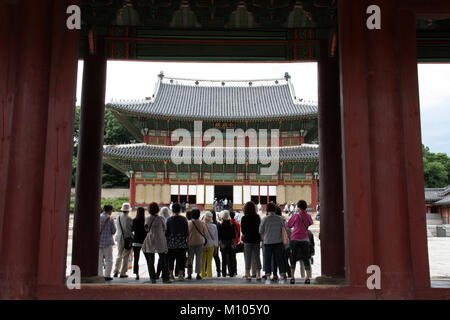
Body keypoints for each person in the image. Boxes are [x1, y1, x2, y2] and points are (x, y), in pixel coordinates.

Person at [142, 202, 172, 284]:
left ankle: (153, 278)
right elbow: (164, 228)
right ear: (157, 210)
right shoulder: (161, 219)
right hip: (160, 239)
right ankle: (165, 278)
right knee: (163, 259)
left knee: (151, 260)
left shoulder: (147, 219)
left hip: (150, 239)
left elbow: (146, 229)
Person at [259, 202, 288, 284]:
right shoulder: (280, 218)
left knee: (268, 259)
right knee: (280, 259)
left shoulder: (265, 219)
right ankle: (282, 275)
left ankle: (268, 276)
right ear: (275, 209)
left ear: (267, 210)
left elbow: (260, 230)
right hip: (278, 242)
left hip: (268, 242)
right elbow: (284, 228)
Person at [286, 200, 313, 284]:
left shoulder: (295, 216)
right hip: (304, 239)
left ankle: (293, 278)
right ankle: (307, 278)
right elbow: (310, 223)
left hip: (295, 239)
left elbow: (288, 225)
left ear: (298, 207)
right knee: (305, 258)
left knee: (293, 258)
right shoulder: (308, 216)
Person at [165, 202, 189, 281]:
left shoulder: (169, 220)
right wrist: (187, 243)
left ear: (172, 210)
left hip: (171, 243)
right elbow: (186, 233)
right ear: (180, 210)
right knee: (181, 260)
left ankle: (171, 275)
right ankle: (180, 275)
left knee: (171, 260)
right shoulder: (184, 219)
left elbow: (166, 233)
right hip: (181, 243)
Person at [240, 201, 262, 281]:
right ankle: (258, 274)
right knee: (257, 257)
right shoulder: (257, 217)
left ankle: (248, 275)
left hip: (247, 240)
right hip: (256, 239)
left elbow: (243, 230)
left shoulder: (244, 218)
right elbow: (260, 229)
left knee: (248, 257)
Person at [187, 209, 210, 280]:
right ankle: (198, 274)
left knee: (190, 258)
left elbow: (186, 233)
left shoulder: (189, 223)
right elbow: (205, 233)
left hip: (191, 242)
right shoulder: (202, 223)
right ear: (199, 215)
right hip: (200, 242)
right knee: (199, 258)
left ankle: (189, 274)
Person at [113, 203, 133, 278]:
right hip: (127, 238)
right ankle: (123, 272)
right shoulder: (129, 219)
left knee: (119, 255)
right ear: (128, 210)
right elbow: (132, 229)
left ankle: (116, 270)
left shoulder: (118, 217)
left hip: (119, 238)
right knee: (126, 256)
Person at [98, 204, 116, 281]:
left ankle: (100, 274)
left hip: (99, 241)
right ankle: (107, 275)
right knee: (109, 259)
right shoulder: (110, 219)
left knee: (99, 259)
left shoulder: (98, 217)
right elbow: (113, 231)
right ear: (110, 210)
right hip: (108, 242)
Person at [217, 210, 236, 277]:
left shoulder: (220, 225)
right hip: (230, 242)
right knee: (231, 258)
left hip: (223, 242)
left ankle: (224, 273)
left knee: (223, 259)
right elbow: (234, 235)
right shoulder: (232, 225)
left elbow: (219, 235)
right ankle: (231, 272)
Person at [131, 207, 147, 280]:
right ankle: (151, 272)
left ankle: (137, 274)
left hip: (136, 240)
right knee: (148, 258)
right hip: (144, 241)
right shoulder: (145, 220)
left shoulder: (134, 220)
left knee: (136, 258)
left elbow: (132, 229)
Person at [201, 212, 218, 278]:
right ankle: (209, 274)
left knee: (203, 261)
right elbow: (216, 237)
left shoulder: (202, 225)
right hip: (211, 245)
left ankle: (202, 274)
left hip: (203, 245)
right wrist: (216, 246)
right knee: (209, 261)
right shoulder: (214, 226)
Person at [211, 210, 221, 277]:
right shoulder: (217, 224)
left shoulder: (207, 224)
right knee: (216, 257)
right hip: (216, 242)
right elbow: (219, 234)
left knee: (207, 257)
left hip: (208, 242)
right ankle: (218, 271)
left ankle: (206, 270)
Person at [230, 211, 240, 276]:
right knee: (234, 257)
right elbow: (239, 233)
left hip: (230, 241)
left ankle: (231, 271)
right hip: (236, 241)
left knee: (229, 257)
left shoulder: (228, 223)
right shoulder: (237, 223)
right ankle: (235, 271)